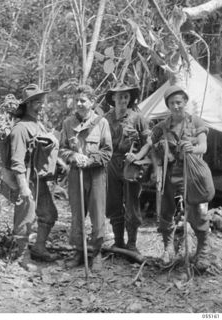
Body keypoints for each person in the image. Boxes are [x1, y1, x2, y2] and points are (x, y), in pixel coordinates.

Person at [136, 85, 211, 271]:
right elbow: (150, 144)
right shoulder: (162, 126)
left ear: (185, 102)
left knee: (198, 214)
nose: (176, 106)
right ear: (167, 105)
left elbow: (204, 146)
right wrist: (141, 159)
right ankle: (168, 248)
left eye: (179, 102)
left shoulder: (196, 122)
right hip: (168, 177)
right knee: (165, 214)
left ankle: (202, 251)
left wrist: (192, 148)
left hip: (192, 176)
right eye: (172, 103)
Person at [59, 85, 112, 270]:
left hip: (96, 174)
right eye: (77, 100)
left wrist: (89, 161)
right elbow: (62, 149)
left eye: (83, 100)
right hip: (75, 174)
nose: (79, 104)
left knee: (98, 216)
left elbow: (107, 152)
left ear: (92, 102)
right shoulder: (68, 123)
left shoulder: (101, 123)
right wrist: (73, 157)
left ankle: (96, 253)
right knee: (77, 215)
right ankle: (79, 252)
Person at [9, 83, 59, 262]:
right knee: (25, 219)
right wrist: (23, 187)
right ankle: (22, 258)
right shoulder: (20, 128)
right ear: (29, 103)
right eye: (38, 102)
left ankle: (38, 248)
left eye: (42, 101)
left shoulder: (38, 125)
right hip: (27, 180)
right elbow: (17, 160)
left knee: (49, 214)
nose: (42, 105)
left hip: (39, 179)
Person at [104, 83, 149, 253]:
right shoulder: (105, 119)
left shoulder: (138, 118)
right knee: (113, 203)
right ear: (113, 98)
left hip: (131, 165)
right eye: (119, 96)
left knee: (132, 203)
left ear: (130, 99)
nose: (123, 99)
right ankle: (118, 241)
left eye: (126, 96)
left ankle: (132, 243)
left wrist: (137, 156)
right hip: (111, 164)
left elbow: (148, 143)